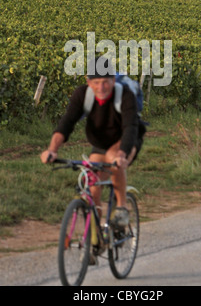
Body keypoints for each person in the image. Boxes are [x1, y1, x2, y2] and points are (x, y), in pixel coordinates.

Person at [41, 57, 145, 229]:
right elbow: (67, 123)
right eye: (96, 82)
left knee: (113, 160)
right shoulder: (83, 94)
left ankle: (122, 208)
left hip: (127, 141)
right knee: (93, 188)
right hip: (101, 143)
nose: (101, 87)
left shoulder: (125, 95)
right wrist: (52, 150)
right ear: (88, 82)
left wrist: (121, 154)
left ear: (113, 80)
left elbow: (130, 128)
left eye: (106, 82)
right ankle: (95, 239)